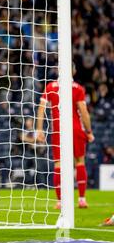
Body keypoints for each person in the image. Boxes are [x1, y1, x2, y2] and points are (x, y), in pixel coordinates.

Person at [36, 65, 94, 210]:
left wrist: (39, 129)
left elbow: (41, 108)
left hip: (58, 130)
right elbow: (84, 111)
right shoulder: (77, 88)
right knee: (80, 161)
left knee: (58, 164)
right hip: (75, 129)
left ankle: (60, 201)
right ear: (74, 71)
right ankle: (81, 199)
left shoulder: (50, 86)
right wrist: (89, 131)